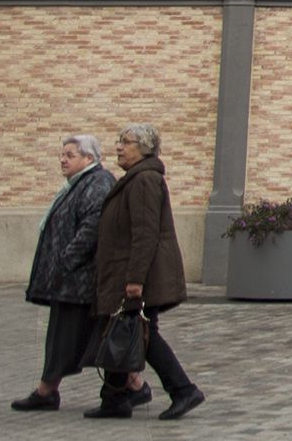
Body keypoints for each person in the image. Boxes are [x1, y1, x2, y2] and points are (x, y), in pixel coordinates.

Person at [85, 123, 204, 421]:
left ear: (145, 148)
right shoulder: (134, 179)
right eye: (119, 141)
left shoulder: (144, 180)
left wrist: (135, 280)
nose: (119, 147)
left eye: (126, 142)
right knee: (123, 327)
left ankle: (183, 390)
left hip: (139, 276)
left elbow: (145, 233)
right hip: (124, 271)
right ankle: (114, 398)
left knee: (143, 333)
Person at [13, 134, 114, 411]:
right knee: (69, 336)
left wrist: (65, 261)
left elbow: (91, 229)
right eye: (62, 154)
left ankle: (47, 391)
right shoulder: (80, 183)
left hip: (79, 280)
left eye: (69, 155)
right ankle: (131, 385)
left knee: (70, 337)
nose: (62, 159)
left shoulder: (97, 183)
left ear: (89, 158)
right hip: (71, 280)